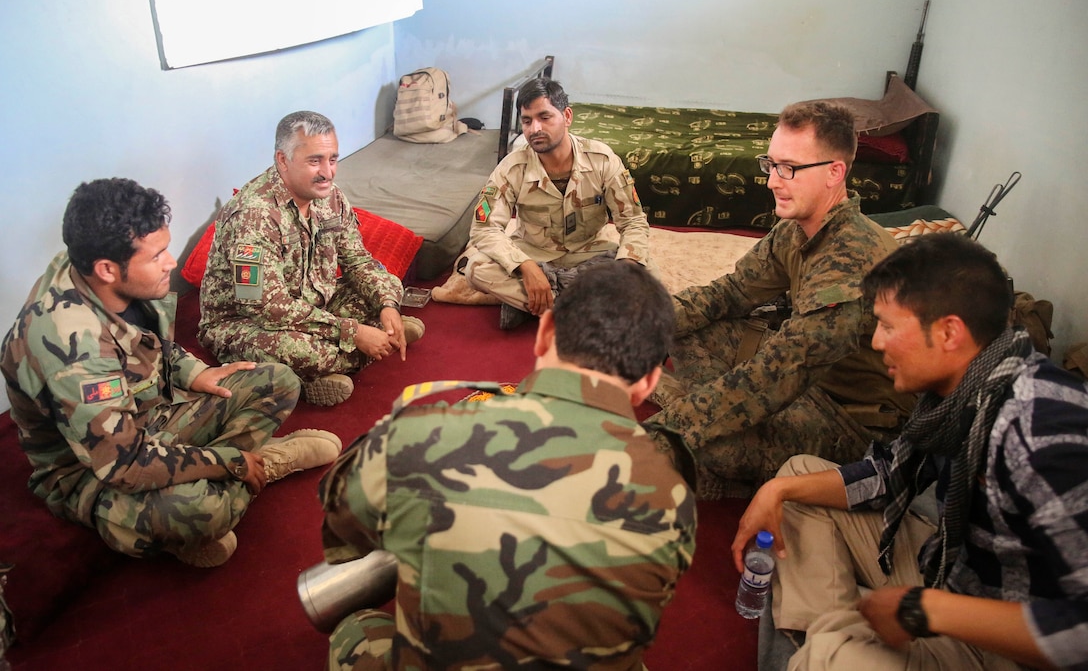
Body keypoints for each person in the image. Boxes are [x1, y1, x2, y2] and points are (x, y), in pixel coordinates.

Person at [732, 233, 1088, 670]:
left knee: (837, 657)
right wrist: (777, 490)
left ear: (948, 332)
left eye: (887, 325)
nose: (877, 342)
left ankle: (830, 654)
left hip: (1010, 639)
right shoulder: (961, 393)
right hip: (954, 567)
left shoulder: (1041, 432)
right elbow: (888, 474)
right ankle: (817, 648)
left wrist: (927, 610)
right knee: (797, 480)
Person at [319, 261, 697, 669]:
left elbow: (343, 515)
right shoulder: (673, 495)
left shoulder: (421, 436)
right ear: (649, 382)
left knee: (354, 629)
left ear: (546, 333)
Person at [0, 179, 341, 568]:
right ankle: (256, 466)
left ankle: (225, 486)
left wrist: (194, 373)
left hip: (150, 412)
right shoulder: (73, 344)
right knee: (202, 512)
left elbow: (147, 340)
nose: (172, 262)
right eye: (158, 255)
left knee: (278, 381)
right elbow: (123, 463)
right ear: (107, 269)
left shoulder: (95, 264)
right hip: (91, 468)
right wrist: (230, 462)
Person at [644, 101, 915, 498]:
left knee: (709, 442)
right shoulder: (798, 228)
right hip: (806, 382)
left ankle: (729, 472)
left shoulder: (853, 259)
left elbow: (778, 374)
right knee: (689, 328)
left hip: (853, 423)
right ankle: (704, 423)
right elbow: (732, 292)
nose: (772, 181)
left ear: (834, 173)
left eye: (788, 168)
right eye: (770, 165)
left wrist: (664, 431)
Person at [198, 111, 424, 406]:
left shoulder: (331, 197)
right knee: (301, 350)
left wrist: (387, 305)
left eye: (332, 159)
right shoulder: (255, 215)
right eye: (315, 160)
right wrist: (352, 331)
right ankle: (323, 371)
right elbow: (266, 307)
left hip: (312, 304)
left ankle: (371, 338)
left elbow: (358, 261)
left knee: (385, 283)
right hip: (245, 322)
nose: (328, 172)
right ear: (283, 160)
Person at [462, 78, 652, 329]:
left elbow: (633, 221)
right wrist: (526, 268)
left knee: (647, 276)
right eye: (527, 121)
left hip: (588, 252)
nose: (534, 128)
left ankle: (540, 304)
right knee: (476, 268)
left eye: (545, 117)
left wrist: (626, 269)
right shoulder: (511, 167)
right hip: (534, 252)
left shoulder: (602, 159)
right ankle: (581, 310)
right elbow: (484, 229)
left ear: (567, 116)